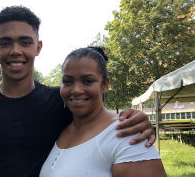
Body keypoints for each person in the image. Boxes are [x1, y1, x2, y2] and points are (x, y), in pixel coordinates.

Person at [0, 6, 155, 177]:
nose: (15, 50)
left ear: (38, 47)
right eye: (6, 43)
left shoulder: (61, 101)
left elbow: (99, 121)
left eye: (25, 42)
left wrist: (136, 119)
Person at [40, 47, 166, 177]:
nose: (76, 90)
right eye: (68, 81)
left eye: (87, 81)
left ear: (105, 84)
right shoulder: (62, 125)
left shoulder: (126, 133)